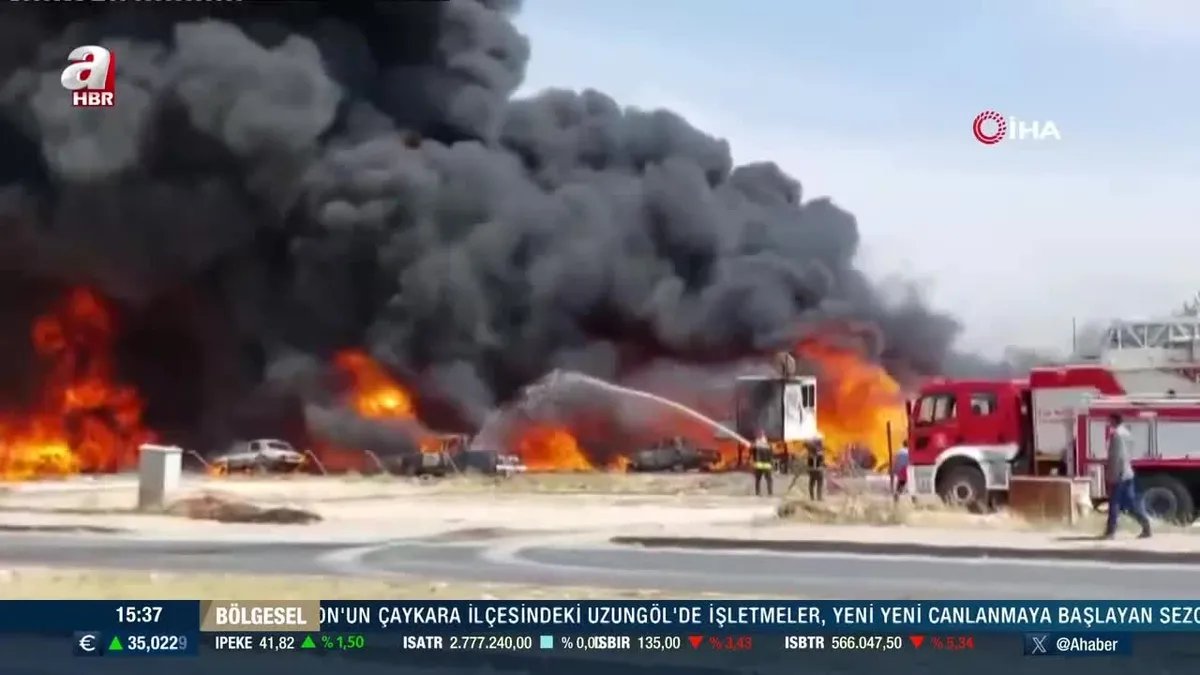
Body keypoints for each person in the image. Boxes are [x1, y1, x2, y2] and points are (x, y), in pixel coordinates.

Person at [1102, 412, 1152, 540]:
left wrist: (1111, 475)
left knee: (1115, 502)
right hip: (1128, 472)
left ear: (1114, 420)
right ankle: (1146, 526)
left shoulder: (1116, 435)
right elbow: (1129, 453)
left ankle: (1110, 532)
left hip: (1120, 474)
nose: (1108, 422)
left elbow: (1116, 457)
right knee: (1130, 503)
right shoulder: (1127, 433)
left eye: (1109, 419)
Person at [751, 431, 774, 497]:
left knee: (758, 479)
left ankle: (758, 493)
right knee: (769, 479)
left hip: (759, 465)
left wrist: (754, 462)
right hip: (767, 465)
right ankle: (770, 493)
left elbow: (753, 453)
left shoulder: (756, 444)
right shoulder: (768, 444)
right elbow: (771, 454)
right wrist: (771, 463)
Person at [806, 437, 826, 501]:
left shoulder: (810, 455)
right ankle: (818, 498)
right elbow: (823, 463)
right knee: (818, 485)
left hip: (813, 471)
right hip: (818, 471)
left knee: (812, 485)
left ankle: (812, 498)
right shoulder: (820, 454)